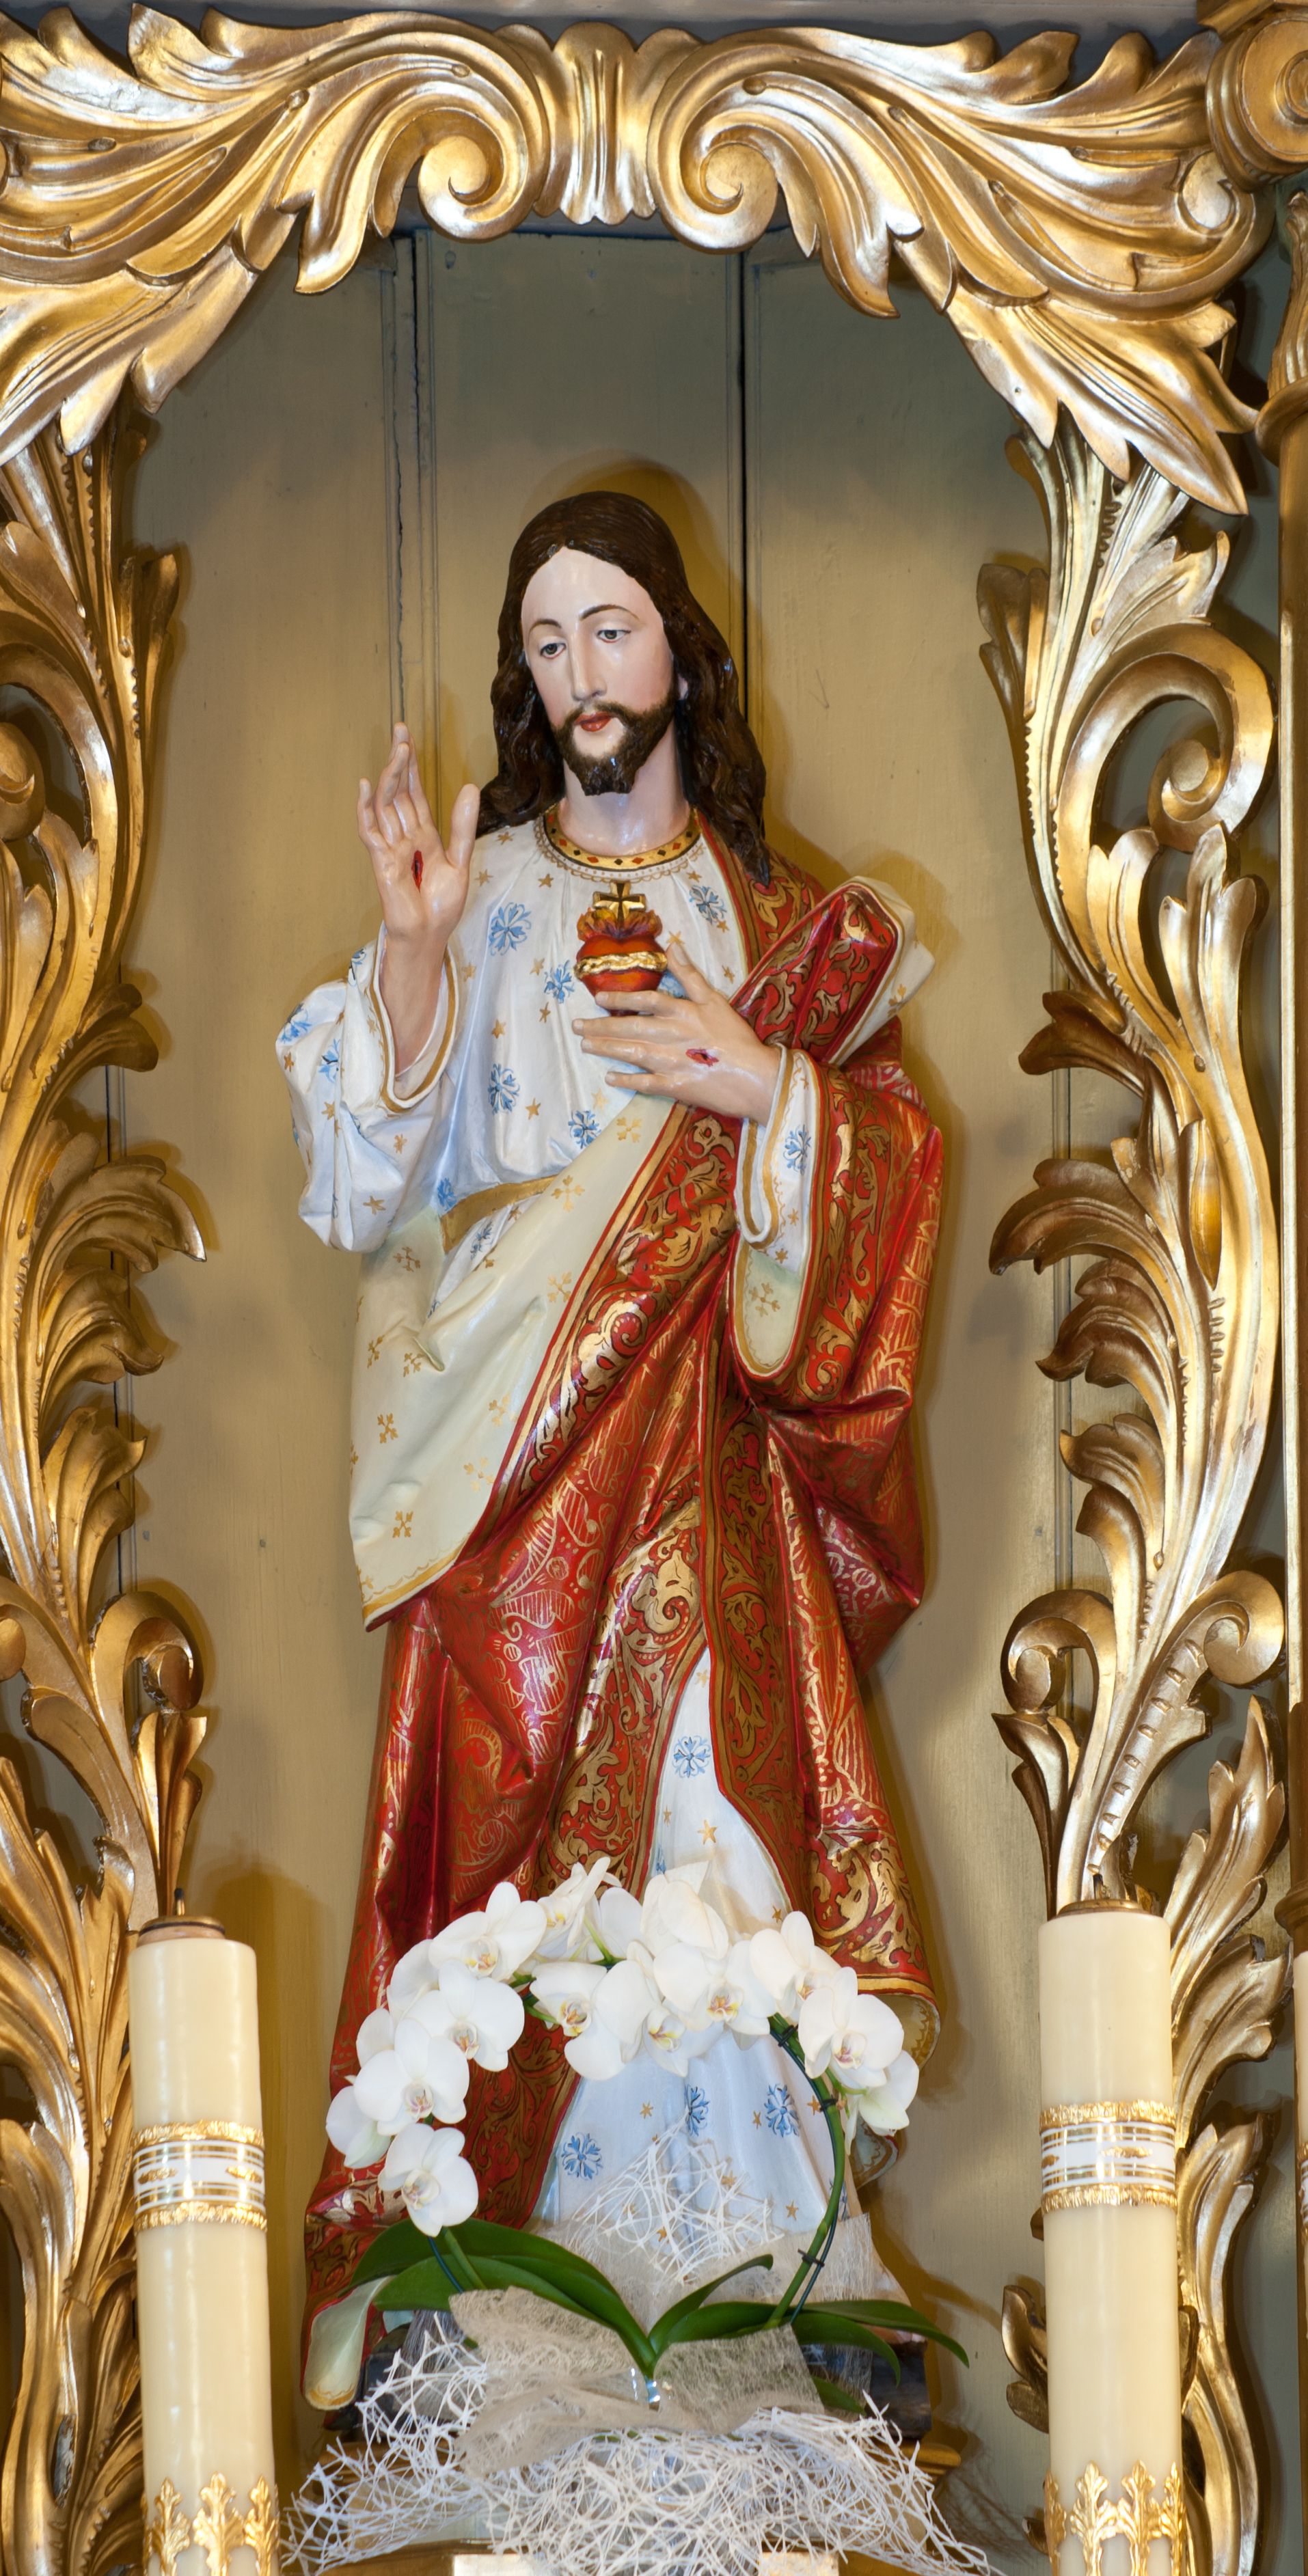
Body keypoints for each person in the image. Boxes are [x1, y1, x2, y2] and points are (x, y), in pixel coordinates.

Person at [279, 491, 942, 2391]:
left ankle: (749, 2281)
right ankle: (501, 2291)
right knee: (506, 1900)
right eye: (549, 641)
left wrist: (772, 1089)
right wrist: (414, 955)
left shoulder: (771, 915)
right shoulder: (475, 892)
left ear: (678, 654)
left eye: (613, 630)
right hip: (506, 1494)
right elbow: (357, 1184)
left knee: (705, 1850)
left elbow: (882, 1174)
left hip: (709, 1484)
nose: (583, 674)